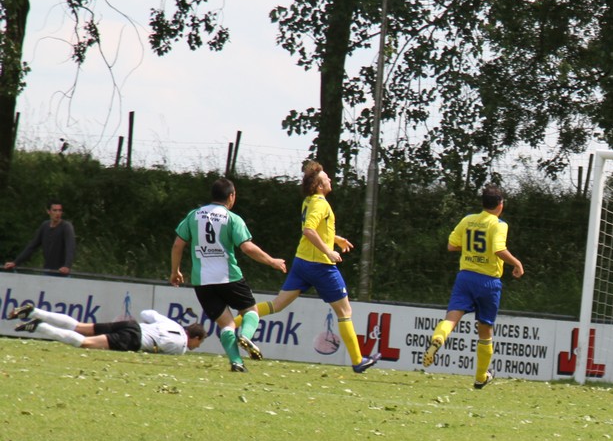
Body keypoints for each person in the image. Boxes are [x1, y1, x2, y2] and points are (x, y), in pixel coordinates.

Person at [236, 160, 378, 373]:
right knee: (344, 311)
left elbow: (315, 229)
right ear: (320, 186)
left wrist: (335, 238)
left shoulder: (308, 201)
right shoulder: (321, 204)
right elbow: (309, 231)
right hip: (321, 267)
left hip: (302, 262)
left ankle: (232, 324)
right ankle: (358, 361)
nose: (330, 179)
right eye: (326, 178)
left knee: (277, 305)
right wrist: (329, 251)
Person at [169, 178, 287, 372]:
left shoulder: (194, 215)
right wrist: (272, 261)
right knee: (251, 311)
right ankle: (246, 336)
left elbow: (177, 245)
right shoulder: (232, 219)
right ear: (231, 196)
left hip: (202, 282)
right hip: (229, 277)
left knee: (227, 324)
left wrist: (175, 271)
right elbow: (247, 248)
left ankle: (236, 362)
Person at [422, 185, 524, 388]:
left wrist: (470, 250)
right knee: (485, 331)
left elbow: (452, 245)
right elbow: (499, 249)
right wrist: (517, 263)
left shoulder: (468, 220)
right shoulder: (499, 225)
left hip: (465, 277)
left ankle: (438, 339)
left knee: (451, 319)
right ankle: (480, 377)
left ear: (483, 203)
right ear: (500, 204)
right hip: (488, 282)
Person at [7, 302, 205, 353]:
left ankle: (34, 311)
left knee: (80, 326)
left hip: (132, 325)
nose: (196, 347)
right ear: (194, 337)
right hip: (134, 340)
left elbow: (147, 313)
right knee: (85, 343)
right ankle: (39, 327)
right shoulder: (181, 348)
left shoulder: (172, 324)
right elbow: (160, 352)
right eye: (199, 343)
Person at [5, 201, 76, 275]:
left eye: (60, 210)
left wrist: (67, 266)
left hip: (62, 272)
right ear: (48, 211)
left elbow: (70, 248)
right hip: (48, 270)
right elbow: (32, 246)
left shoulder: (66, 227)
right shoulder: (45, 226)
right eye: (55, 210)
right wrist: (15, 262)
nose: (57, 213)